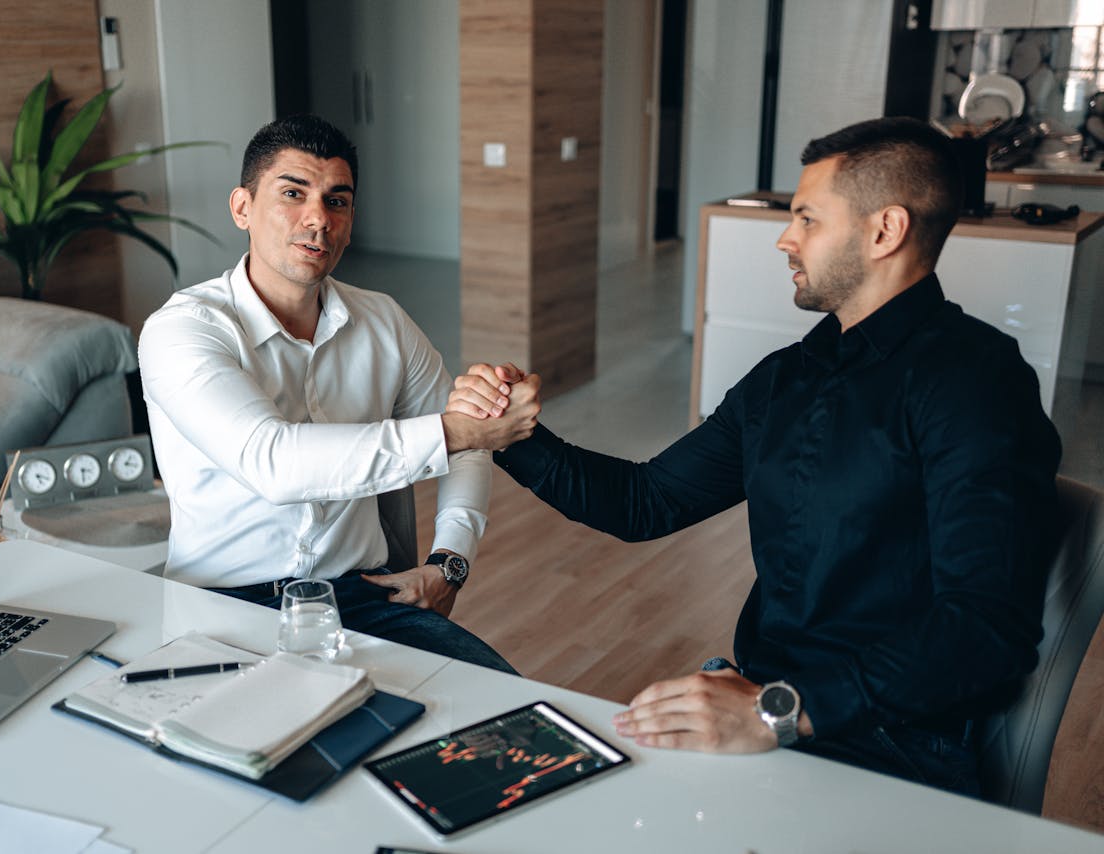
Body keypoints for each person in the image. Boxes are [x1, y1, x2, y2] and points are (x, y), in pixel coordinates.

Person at [448, 117, 1062, 792]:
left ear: (884, 231)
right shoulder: (785, 379)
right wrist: (512, 434)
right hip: (762, 702)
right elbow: (644, 502)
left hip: (897, 745)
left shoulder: (974, 381)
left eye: (806, 219)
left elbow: (984, 628)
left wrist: (779, 713)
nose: (785, 238)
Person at [138, 114, 538, 673]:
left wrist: (450, 562)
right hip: (223, 607)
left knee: (507, 712)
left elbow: (467, 447)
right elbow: (273, 462)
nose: (318, 220)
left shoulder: (384, 321)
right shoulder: (184, 329)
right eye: (293, 194)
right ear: (242, 208)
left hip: (362, 599)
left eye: (337, 201)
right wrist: (456, 430)